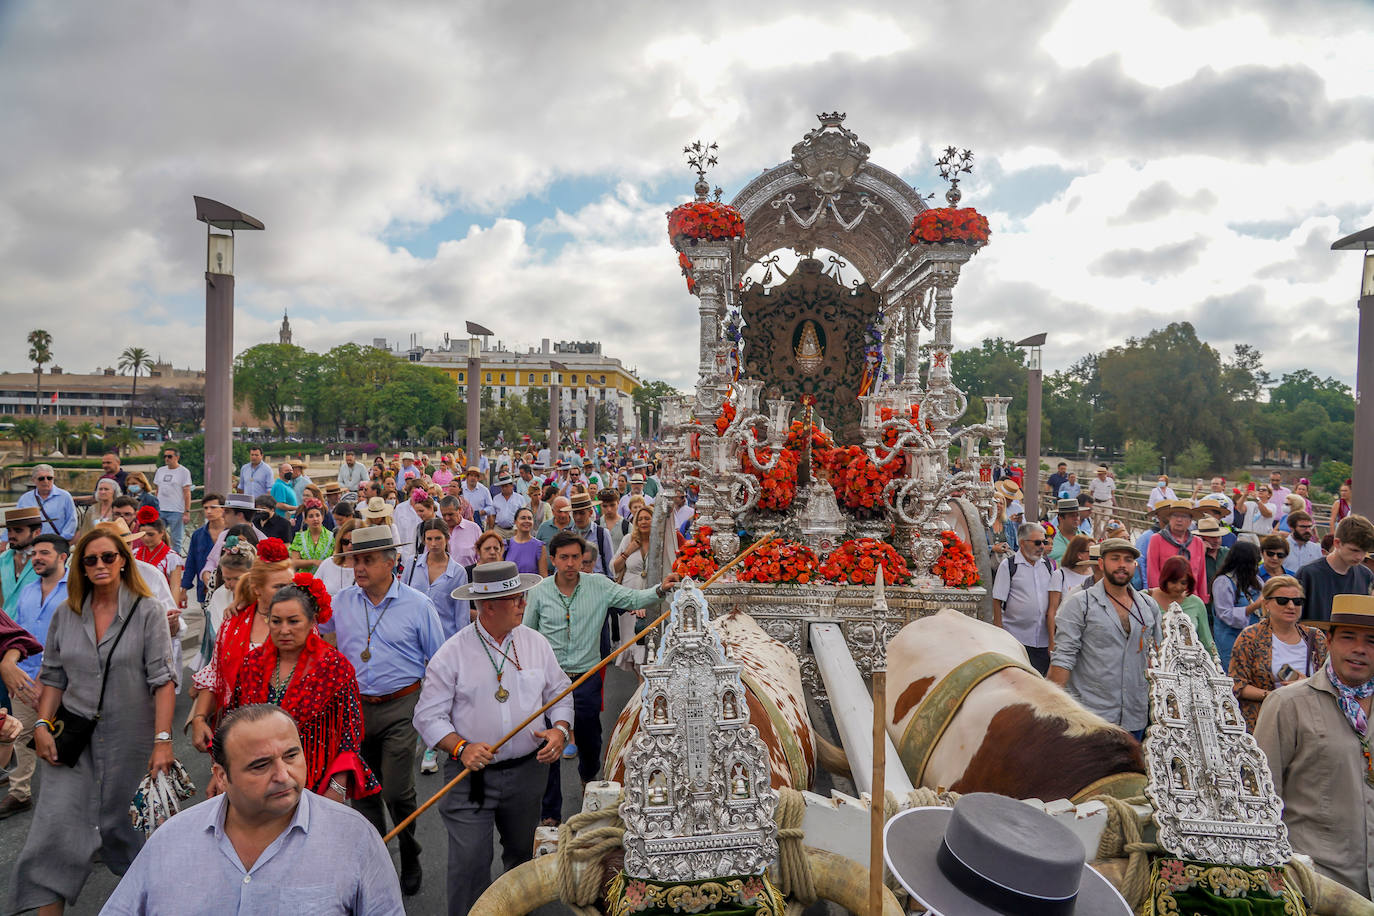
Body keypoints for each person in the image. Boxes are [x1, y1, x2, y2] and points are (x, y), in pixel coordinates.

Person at [10, 528, 175, 914]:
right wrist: (41, 726)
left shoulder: (146, 610)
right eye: (90, 559)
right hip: (74, 744)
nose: (99, 565)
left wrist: (163, 741)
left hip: (130, 746)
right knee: (53, 837)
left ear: (122, 561)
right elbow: (52, 676)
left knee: (134, 837)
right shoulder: (67, 614)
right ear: (80, 566)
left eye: (108, 557)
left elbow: (163, 681)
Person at [102, 704, 404, 914]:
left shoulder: (355, 838)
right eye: (260, 765)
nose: (283, 775)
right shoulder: (171, 841)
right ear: (221, 776)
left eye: (291, 756)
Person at [415, 561, 573, 916]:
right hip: (469, 778)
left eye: (522, 596)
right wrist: (461, 746)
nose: (523, 604)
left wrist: (559, 729)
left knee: (520, 858)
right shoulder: (451, 653)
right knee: (470, 862)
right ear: (489, 606)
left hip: (527, 773)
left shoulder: (535, 643)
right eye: (516, 599)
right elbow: (427, 716)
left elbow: (561, 690)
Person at [319, 525, 446, 895]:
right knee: (362, 793)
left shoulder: (418, 605)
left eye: (368, 560)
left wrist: (434, 717)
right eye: (355, 559)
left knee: (395, 790)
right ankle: (376, 864)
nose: (358, 567)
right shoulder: (341, 601)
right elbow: (304, 623)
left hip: (402, 706)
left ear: (391, 563)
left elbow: (438, 662)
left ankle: (410, 850)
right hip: (354, 708)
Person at [523, 530, 678, 826]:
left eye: (576, 557)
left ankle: (587, 777)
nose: (570, 563)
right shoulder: (539, 591)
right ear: (553, 560)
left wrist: (660, 589)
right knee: (547, 745)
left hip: (587, 677)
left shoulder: (599, 585)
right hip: (548, 682)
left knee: (590, 739)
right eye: (564, 557)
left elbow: (632, 597)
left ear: (584, 559)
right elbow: (528, 634)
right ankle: (550, 814)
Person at [1255, 593, 1374, 896]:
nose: (1359, 649)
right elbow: (1262, 801)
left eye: (1371, 641)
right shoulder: (1286, 704)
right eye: (1349, 637)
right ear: (1329, 640)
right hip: (1317, 883)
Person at [221, 578, 379, 803]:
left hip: (313, 785)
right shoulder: (251, 664)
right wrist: (223, 771)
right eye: (276, 621)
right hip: (257, 785)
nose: (284, 630)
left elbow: (349, 735)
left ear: (311, 621)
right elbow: (232, 720)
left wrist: (337, 787)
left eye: (293, 621)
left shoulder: (335, 667)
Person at [1049, 538, 1162, 740]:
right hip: (1091, 717)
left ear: (1134, 565)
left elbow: (1159, 656)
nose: (1121, 565)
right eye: (1115, 558)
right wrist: (1052, 713)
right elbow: (1063, 658)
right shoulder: (1079, 603)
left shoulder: (1148, 606)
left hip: (1135, 715)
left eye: (1128, 560)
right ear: (1101, 564)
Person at [188, 538, 296, 747]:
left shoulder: (303, 624)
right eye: (279, 587)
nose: (289, 592)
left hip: (290, 731)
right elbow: (216, 673)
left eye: (291, 585)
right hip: (240, 731)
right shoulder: (233, 625)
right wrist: (199, 718)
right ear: (257, 589)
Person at [0, 533, 69, 819]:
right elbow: (18, 634)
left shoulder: (76, 589)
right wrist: (10, 666)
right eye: (34, 554)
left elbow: (74, 637)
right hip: (23, 678)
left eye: (44, 553)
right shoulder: (28, 589)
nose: (36, 558)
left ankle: (69, 802)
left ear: (62, 557)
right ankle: (19, 792)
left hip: (64, 681)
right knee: (20, 734)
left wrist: (48, 676)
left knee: (64, 739)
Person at [1228, 574, 1327, 733]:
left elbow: (1330, 681)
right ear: (1266, 603)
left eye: (1297, 601)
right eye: (1282, 600)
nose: (1291, 606)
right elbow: (1238, 684)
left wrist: (1307, 684)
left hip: (1309, 723)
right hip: (1264, 722)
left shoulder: (1315, 638)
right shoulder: (1250, 637)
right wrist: (1277, 696)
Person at [991, 522, 1054, 674]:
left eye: (1044, 542)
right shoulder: (1009, 565)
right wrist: (999, 632)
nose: (1041, 546)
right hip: (1016, 638)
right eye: (1037, 542)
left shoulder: (1047, 566)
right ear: (1022, 543)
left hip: (1042, 640)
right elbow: (997, 600)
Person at [401, 519, 470, 641]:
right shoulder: (412, 564)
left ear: (447, 538)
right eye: (429, 539)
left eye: (438, 538)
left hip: (445, 639)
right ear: (424, 540)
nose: (433, 544)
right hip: (414, 637)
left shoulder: (458, 572)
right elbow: (402, 599)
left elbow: (462, 615)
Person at [1297, 514, 1374, 622]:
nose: (1360, 557)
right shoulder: (1308, 573)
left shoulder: (1366, 575)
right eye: (1354, 550)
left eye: (1364, 551)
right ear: (1337, 543)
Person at [610, 505, 657, 674]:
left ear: (654, 520)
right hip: (630, 595)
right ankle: (639, 684)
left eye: (647, 518)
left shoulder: (658, 541)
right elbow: (613, 568)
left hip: (653, 596)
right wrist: (627, 552)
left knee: (648, 644)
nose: (643, 522)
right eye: (640, 519)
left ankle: (643, 687)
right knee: (633, 641)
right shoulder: (628, 539)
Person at [1147, 554, 1216, 656]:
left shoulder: (1196, 603)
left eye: (1183, 583)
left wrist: (1216, 666)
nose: (1178, 587)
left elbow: (1207, 641)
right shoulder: (1146, 599)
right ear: (1165, 579)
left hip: (1187, 665)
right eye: (1174, 582)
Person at [1212, 540, 1264, 671]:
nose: (1256, 566)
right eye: (1254, 562)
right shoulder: (1223, 582)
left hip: (1254, 638)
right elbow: (1225, 614)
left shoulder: (1256, 580)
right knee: (1234, 673)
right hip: (1231, 640)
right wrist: (1255, 606)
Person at [1145, 500, 1209, 604]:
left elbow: (1201, 573)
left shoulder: (1198, 542)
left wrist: (1202, 600)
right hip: (1166, 597)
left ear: (1190, 520)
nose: (1179, 520)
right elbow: (1152, 572)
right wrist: (1157, 598)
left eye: (1184, 516)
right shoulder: (1157, 539)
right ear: (1169, 518)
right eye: (1175, 516)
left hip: (1191, 597)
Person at [1046, 534, 1093, 647]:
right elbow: (1052, 610)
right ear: (1079, 555)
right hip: (1066, 635)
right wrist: (1052, 641)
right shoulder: (1060, 575)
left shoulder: (1095, 575)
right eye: (1091, 551)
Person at [17, 464, 77, 540]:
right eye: (41, 478)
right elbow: (16, 522)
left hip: (56, 543)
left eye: (49, 478)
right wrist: (5, 541)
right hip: (31, 544)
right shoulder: (25, 499)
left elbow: (71, 521)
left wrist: (62, 540)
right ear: (33, 480)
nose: (46, 481)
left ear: (53, 479)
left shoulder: (65, 496)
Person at [152, 445, 193, 551]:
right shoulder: (160, 470)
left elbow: (187, 492)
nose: (166, 459)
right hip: (161, 510)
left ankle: (176, 563)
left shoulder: (184, 472)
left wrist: (187, 512)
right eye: (165, 456)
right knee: (157, 537)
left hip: (176, 511)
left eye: (169, 456)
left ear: (177, 457)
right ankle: (160, 561)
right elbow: (157, 490)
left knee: (176, 541)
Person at [2, 506, 42, 607]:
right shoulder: (3, 559)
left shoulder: (47, 561)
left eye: (18, 531)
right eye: (9, 531)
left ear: (36, 533)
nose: (11, 535)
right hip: (6, 621)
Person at [568, 490, 614, 576]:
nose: (578, 517)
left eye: (582, 513)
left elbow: (610, 565)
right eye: (575, 513)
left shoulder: (602, 534)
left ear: (590, 513)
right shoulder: (566, 534)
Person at [315, 518, 359, 597]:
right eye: (345, 542)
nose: (349, 546)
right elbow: (313, 590)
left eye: (354, 542)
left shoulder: (369, 568)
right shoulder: (327, 563)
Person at [288, 499, 334, 573]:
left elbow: (335, 560)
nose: (315, 519)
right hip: (304, 581)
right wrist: (313, 562)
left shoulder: (332, 537)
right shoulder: (299, 537)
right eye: (311, 516)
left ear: (322, 517)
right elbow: (294, 562)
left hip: (326, 578)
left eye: (317, 515)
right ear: (305, 520)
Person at [506, 506, 548, 576]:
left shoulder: (540, 546)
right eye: (523, 518)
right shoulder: (506, 545)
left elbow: (543, 576)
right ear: (515, 522)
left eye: (529, 518)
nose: (527, 521)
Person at [487, 474, 528, 538]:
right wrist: (491, 529)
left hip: (515, 529)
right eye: (502, 486)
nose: (503, 488)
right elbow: (492, 515)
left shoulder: (520, 498)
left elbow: (524, 515)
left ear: (512, 486)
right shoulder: (496, 498)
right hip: (499, 529)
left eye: (506, 486)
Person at [1046, 498, 1079, 563]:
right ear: (1060, 518)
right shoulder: (1049, 535)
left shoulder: (1084, 536)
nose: (1076, 518)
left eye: (1077, 515)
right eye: (1072, 516)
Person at [1087, 465, 1116, 536]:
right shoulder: (1094, 481)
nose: (1099, 475)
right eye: (1098, 474)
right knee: (1097, 521)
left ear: (1105, 474)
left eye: (1100, 474)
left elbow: (1113, 491)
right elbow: (1091, 492)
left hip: (1107, 502)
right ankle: (1097, 537)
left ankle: (1105, 535)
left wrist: (1109, 497)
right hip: (1097, 502)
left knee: (1107, 520)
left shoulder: (1110, 481)